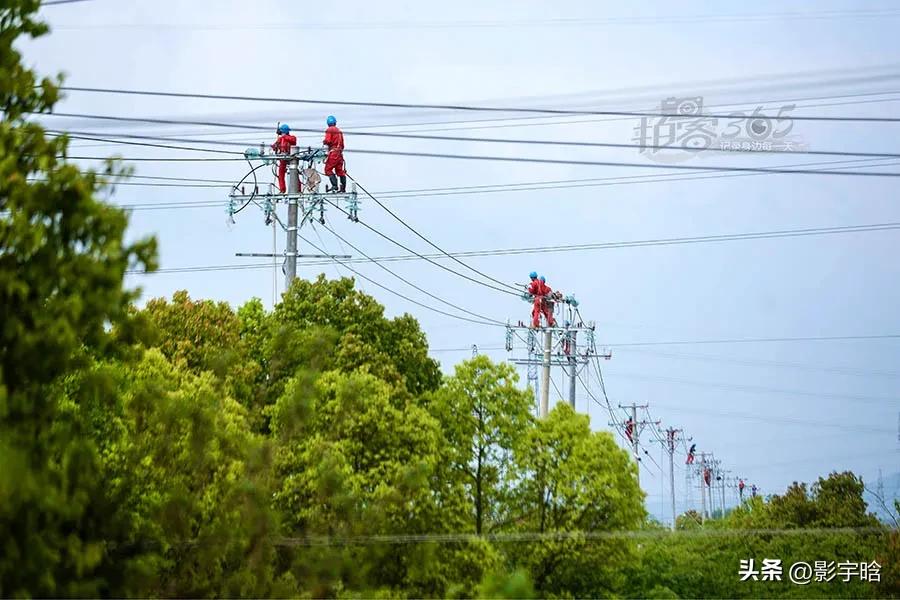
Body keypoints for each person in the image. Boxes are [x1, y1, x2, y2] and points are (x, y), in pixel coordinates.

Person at [322, 115, 347, 193]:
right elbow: (343, 145)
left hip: (333, 153)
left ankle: (334, 186)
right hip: (340, 153)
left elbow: (328, 141)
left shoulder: (329, 130)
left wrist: (324, 142)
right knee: (340, 171)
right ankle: (343, 188)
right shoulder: (339, 132)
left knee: (328, 169)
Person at [271, 124, 297, 193]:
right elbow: (274, 146)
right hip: (282, 159)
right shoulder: (280, 139)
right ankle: (282, 190)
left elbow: (293, 141)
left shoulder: (292, 138)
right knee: (281, 175)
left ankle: (298, 189)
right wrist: (274, 147)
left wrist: (283, 136)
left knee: (294, 174)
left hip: (291, 159)